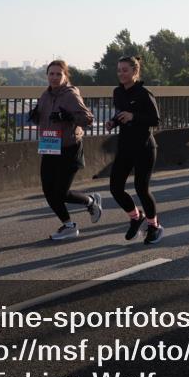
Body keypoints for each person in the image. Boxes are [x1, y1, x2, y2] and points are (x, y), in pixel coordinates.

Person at [31, 60, 99, 241]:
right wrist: (35, 116)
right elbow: (45, 120)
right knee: (48, 191)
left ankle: (90, 202)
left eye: (58, 74)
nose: (54, 77)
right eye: (51, 74)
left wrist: (68, 116)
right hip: (49, 146)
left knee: (61, 192)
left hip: (70, 148)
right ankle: (69, 225)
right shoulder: (45, 95)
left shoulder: (70, 94)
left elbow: (88, 119)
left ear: (65, 76)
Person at [106, 56, 163, 244]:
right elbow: (120, 112)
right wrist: (113, 122)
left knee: (141, 188)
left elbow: (155, 120)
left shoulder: (144, 93)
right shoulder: (117, 92)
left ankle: (154, 226)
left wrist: (133, 116)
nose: (121, 74)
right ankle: (135, 217)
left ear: (135, 72)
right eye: (119, 70)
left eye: (125, 70)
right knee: (115, 187)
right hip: (125, 146)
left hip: (144, 147)